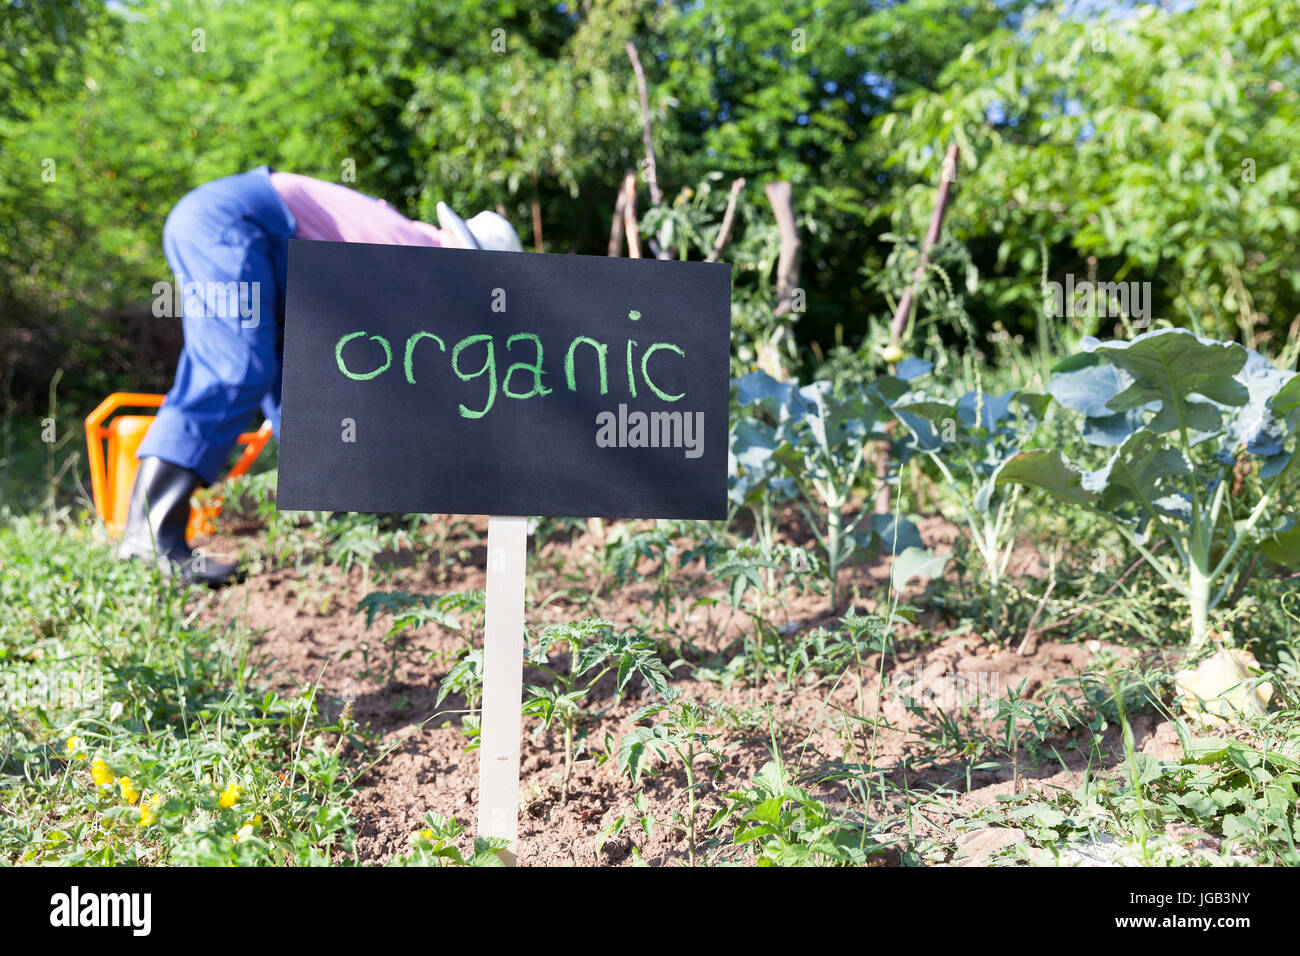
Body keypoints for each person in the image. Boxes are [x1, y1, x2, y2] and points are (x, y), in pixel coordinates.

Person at [118, 166, 523, 584]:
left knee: (295, 386)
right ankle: (148, 537)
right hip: (229, 226)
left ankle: (349, 515)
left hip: (253, 243)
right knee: (235, 369)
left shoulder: (411, 250)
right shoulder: (410, 248)